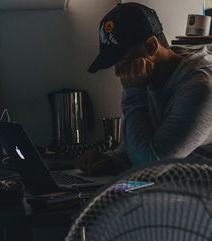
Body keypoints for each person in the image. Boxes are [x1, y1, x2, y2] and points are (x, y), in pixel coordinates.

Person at [76, 2, 212, 176]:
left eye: (124, 60)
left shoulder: (201, 89)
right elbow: (139, 146)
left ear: (151, 46)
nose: (119, 70)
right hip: (169, 191)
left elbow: (149, 165)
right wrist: (110, 159)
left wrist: (133, 93)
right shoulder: (150, 76)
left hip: (199, 197)